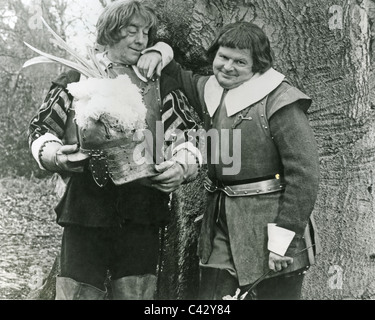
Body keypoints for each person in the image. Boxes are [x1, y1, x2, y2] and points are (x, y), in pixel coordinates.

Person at [28, 0, 200, 300]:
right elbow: (41, 128)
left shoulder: (159, 82)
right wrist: (54, 155)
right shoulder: (76, 76)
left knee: (137, 295)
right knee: (75, 294)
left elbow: (189, 134)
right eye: (131, 31)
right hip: (84, 207)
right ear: (109, 32)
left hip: (142, 208)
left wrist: (181, 167)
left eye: (146, 32)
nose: (141, 39)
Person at [139, 21, 321, 300]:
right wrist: (159, 49)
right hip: (219, 222)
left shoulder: (280, 101)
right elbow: (175, 72)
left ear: (257, 66)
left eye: (240, 62)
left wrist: (283, 239)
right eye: (222, 57)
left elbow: (304, 175)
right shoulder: (210, 89)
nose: (227, 67)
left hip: (271, 225)